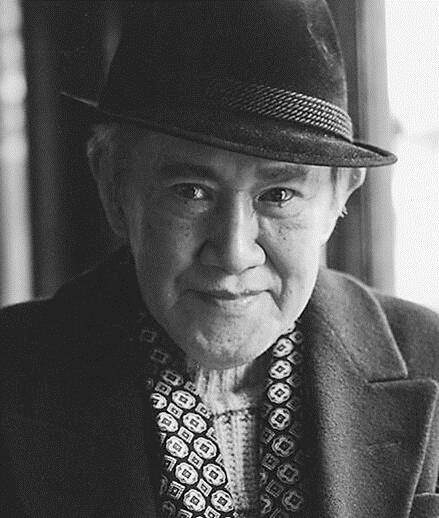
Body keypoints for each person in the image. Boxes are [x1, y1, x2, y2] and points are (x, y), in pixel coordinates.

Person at [1, 1, 439, 517]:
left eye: (278, 195)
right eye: (191, 192)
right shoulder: (14, 375)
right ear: (113, 186)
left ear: (339, 197)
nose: (233, 253)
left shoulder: (430, 355)